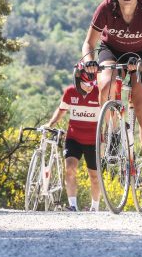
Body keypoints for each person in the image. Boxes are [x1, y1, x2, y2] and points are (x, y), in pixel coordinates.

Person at [81, 0, 142, 188]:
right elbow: (89, 43)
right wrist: (88, 60)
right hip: (113, 51)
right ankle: (115, 133)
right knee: (106, 84)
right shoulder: (106, 8)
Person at [42, 70, 102, 212]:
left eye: (92, 83)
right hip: (73, 138)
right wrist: (50, 124)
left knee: (94, 176)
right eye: (86, 83)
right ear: (78, 81)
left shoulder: (99, 93)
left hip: (93, 141)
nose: (89, 86)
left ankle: (95, 207)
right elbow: (61, 110)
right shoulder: (70, 92)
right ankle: (73, 205)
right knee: (69, 169)